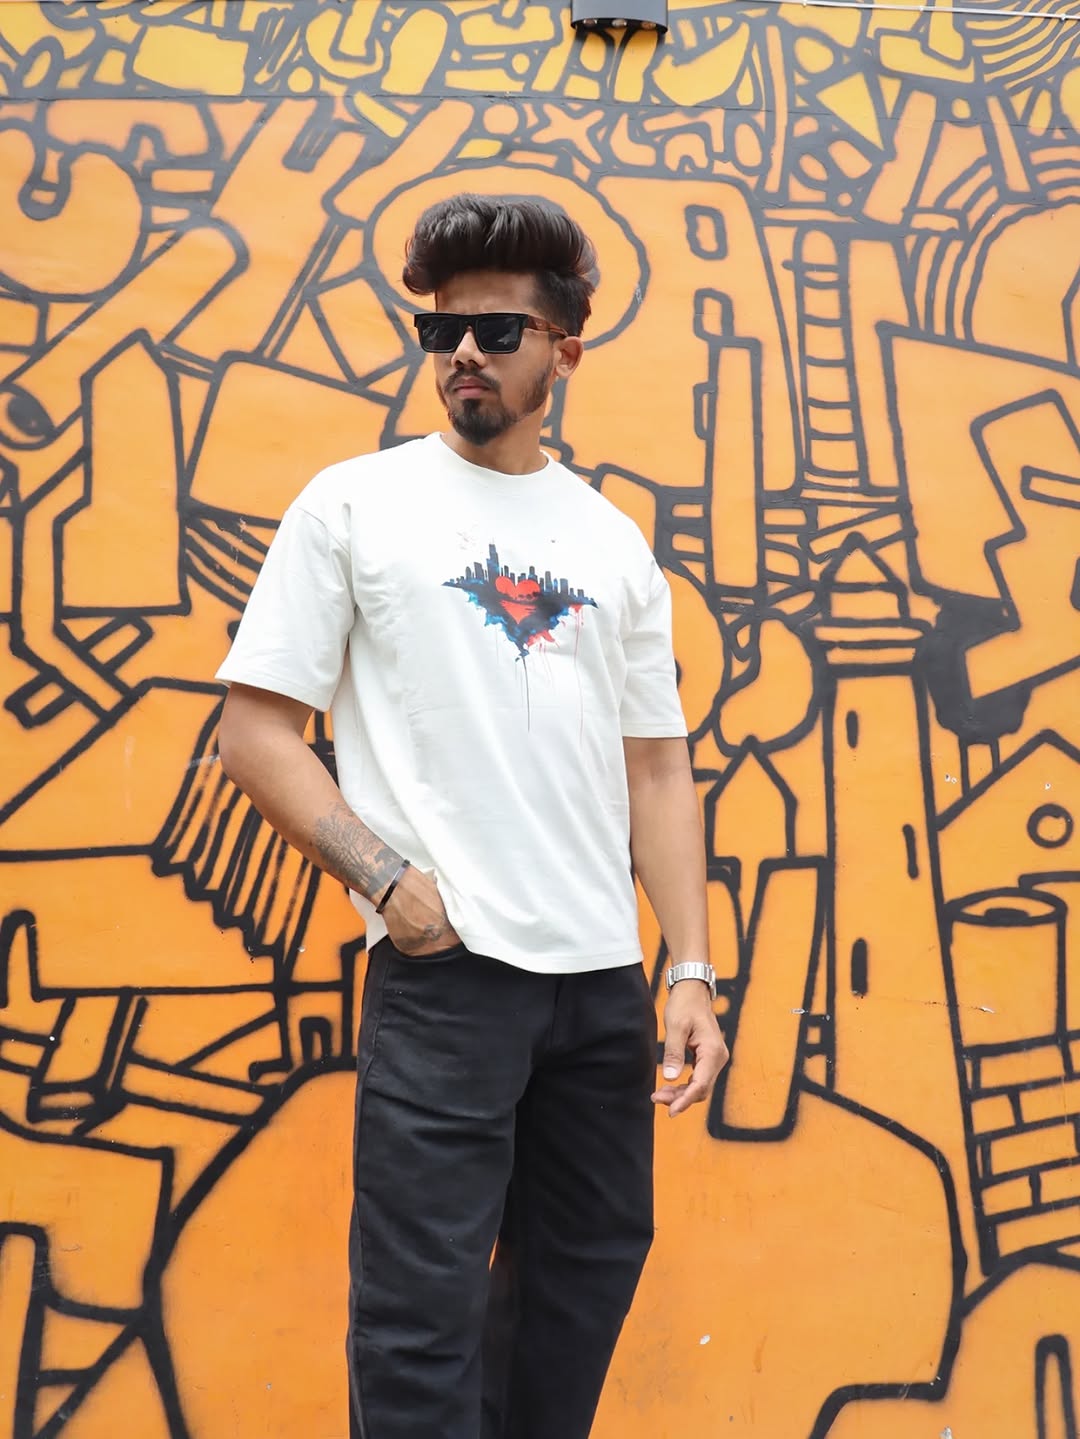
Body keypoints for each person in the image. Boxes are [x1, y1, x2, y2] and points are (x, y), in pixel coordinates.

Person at [215, 194, 728, 1439]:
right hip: (450, 973)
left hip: (599, 986)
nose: (462, 353)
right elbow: (255, 732)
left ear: (565, 351)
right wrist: (390, 883)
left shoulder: (612, 543)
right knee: (419, 1319)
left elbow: (658, 770)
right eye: (439, 330)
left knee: (579, 1289)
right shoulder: (354, 505)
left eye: (498, 331)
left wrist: (691, 969)